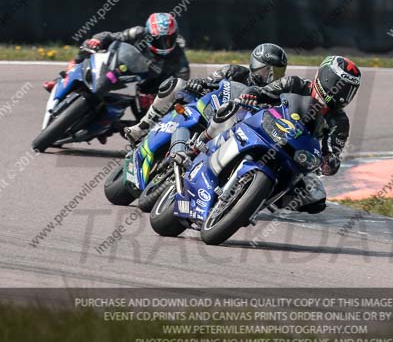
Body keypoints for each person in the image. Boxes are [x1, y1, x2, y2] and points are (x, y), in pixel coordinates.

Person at [192, 55, 361, 213]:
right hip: (262, 128)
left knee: (316, 195)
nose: (343, 95)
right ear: (327, 79)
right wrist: (252, 95)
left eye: (349, 91)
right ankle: (199, 144)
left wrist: (329, 162)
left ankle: (257, 200)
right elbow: (263, 92)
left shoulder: (340, 122)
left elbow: (332, 152)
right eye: (342, 87)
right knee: (231, 111)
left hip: (293, 156)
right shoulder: (294, 84)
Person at [124, 43, 288, 146]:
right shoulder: (234, 71)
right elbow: (208, 81)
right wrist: (199, 83)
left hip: (230, 133)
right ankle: (142, 127)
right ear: (255, 65)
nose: (271, 77)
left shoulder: (276, 95)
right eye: (266, 70)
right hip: (207, 109)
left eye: (277, 71)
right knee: (174, 84)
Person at [77, 13, 190, 107]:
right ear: (148, 34)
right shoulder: (137, 33)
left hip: (146, 89)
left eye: (169, 39)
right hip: (119, 70)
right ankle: (73, 67)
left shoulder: (178, 57)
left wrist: (157, 97)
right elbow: (111, 36)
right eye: (158, 39)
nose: (164, 44)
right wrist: (97, 40)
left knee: (152, 117)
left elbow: (182, 88)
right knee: (87, 47)